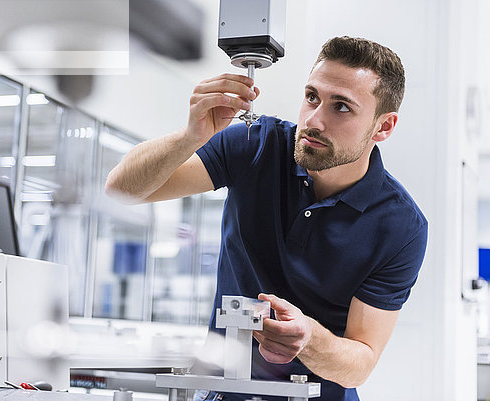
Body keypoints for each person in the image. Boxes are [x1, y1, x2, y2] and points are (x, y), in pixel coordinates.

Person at [105, 36, 428, 401]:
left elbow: (361, 362)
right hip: (223, 390)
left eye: (341, 107)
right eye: (311, 97)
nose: (315, 120)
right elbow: (121, 189)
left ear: (383, 127)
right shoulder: (256, 144)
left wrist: (308, 337)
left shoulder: (401, 226)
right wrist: (190, 136)